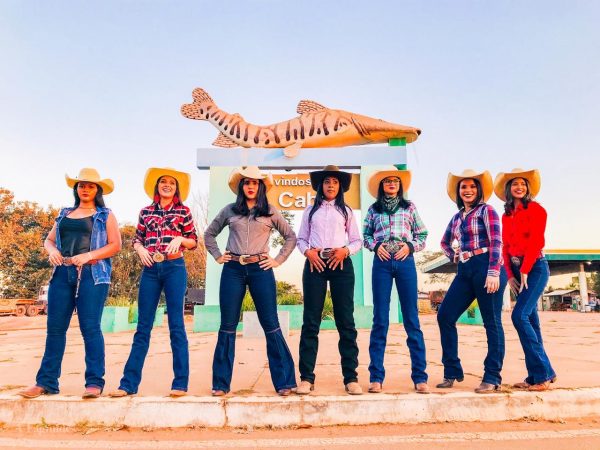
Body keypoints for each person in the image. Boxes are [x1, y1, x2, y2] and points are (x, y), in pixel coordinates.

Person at [19, 168, 121, 399]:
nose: (85, 189)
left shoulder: (105, 215)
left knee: (90, 328)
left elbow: (116, 245)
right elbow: (49, 240)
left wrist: (89, 255)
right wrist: (52, 251)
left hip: (93, 275)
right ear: (76, 188)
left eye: (91, 186)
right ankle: (46, 382)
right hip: (62, 273)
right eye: (81, 185)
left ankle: (94, 383)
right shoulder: (64, 213)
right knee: (55, 329)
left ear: (97, 190)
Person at [204, 166, 297, 396]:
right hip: (233, 269)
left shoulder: (270, 211)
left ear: (261, 186)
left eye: (255, 182)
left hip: (260, 269)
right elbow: (209, 234)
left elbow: (290, 237)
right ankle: (220, 384)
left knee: (271, 323)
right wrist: (217, 255)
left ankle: (285, 382)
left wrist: (278, 260)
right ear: (241, 186)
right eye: (247, 182)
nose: (251, 186)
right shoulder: (229, 210)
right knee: (227, 325)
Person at [110, 167, 198, 398]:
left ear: (176, 188)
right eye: (163, 182)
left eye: (171, 183)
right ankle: (128, 384)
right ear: (157, 187)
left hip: (174, 267)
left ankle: (180, 384)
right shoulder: (146, 211)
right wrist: (140, 249)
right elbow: (137, 238)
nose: (167, 185)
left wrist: (180, 238)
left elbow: (193, 241)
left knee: (176, 325)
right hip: (150, 268)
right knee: (143, 327)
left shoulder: (184, 211)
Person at [437, 169, 507, 393]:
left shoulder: (487, 210)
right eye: (463, 187)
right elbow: (444, 242)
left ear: (479, 190)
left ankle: (492, 376)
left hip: (487, 266)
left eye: (472, 186)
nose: (468, 190)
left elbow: (496, 241)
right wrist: (454, 255)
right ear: (458, 192)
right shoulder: (456, 218)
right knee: (445, 315)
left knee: (491, 322)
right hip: (465, 269)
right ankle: (452, 371)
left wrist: (493, 271)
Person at [296, 165, 363, 395]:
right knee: (310, 322)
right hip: (315, 264)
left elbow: (356, 240)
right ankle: (306, 378)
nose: (331, 185)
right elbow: (301, 239)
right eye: (327, 182)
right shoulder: (309, 211)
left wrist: (346, 250)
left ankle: (351, 378)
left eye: (335, 182)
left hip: (341, 264)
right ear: (320, 186)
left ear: (340, 186)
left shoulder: (346, 211)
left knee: (346, 321)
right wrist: (308, 252)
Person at [363, 167, 429, 394]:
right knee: (380, 319)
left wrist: (410, 246)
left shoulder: (409, 207)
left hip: (405, 261)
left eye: (395, 181)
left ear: (400, 186)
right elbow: (366, 235)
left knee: (412, 319)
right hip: (381, 262)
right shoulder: (373, 210)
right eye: (387, 181)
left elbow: (422, 234)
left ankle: (420, 377)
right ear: (381, 186)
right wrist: (375, 246)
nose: (391, 184)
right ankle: (376, 377)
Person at [494, 168, 556, 391]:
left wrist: (526, 269)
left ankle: (543, 374)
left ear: (528, 188)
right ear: (508, 189)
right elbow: (505, 246)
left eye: (523, 183)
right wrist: (510, 275)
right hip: (517, 270)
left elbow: (536, 241)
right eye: (515, 184)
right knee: (531, 322)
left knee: (519, 316)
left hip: (535, 267)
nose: (519, 187)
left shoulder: (537, 209)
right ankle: (537, 375)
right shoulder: (506, 215)